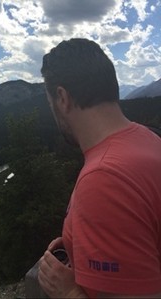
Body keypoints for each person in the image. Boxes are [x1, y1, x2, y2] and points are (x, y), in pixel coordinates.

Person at [37, 38, 161, 297]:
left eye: (51, 104)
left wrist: (69, 293)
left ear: (62, 98)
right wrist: (79, 241)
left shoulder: (104, 179)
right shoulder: (149, 138)